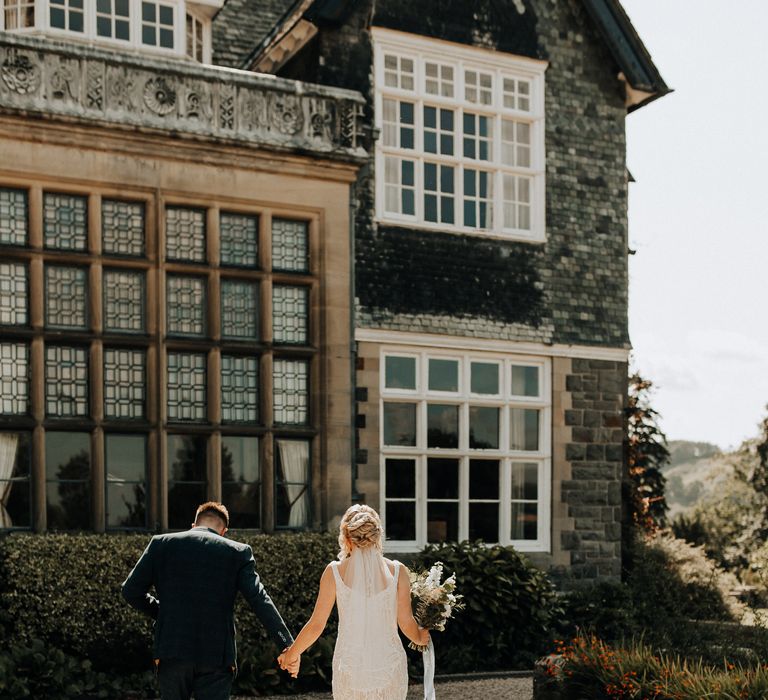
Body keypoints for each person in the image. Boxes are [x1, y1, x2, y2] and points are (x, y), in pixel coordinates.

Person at [122, 501, 297, 700]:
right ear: (224, 531)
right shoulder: (238, 552)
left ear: (193, 525)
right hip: (217, 655)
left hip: (172, 650)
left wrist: (165, 613)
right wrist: (287, 645)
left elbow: (130, 591)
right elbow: (259, 599)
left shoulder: (160, 544)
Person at [277, 504, 429, 699]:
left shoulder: (333, 572)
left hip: (350, 669)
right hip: (389, 667)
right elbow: (406, 623)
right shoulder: (398, 572)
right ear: (377, 535)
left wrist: (291, 654)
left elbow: (316, 625)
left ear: (346, 537)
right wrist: (420, 637)